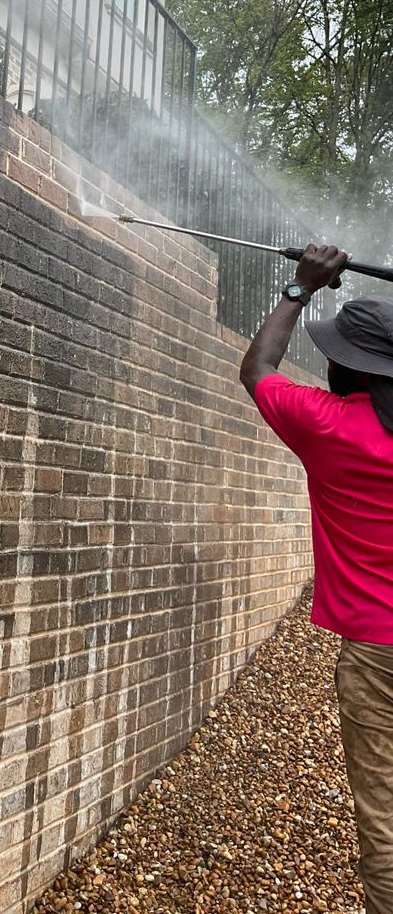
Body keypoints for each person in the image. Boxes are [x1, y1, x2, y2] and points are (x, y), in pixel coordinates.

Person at [239, 244, 393, 914]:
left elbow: (259, 368)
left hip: (376, 655)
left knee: (385, 823)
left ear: (346, 367)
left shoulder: (328, 428)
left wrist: (301, 290)